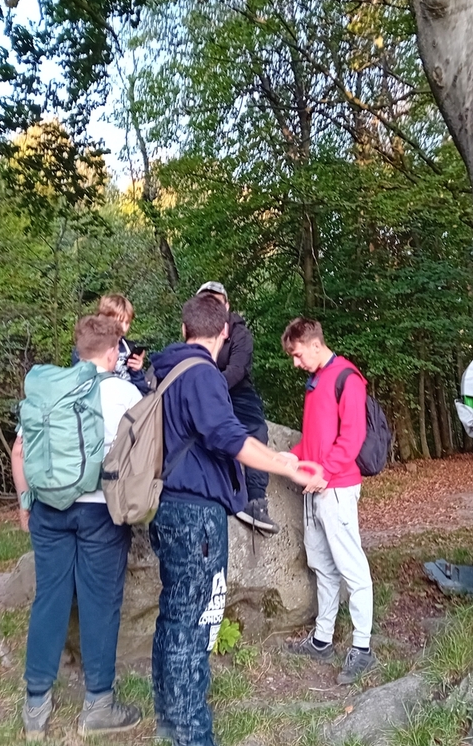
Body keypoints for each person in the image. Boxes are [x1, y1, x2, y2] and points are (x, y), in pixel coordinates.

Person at [148, 294, 323, 746]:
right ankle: (192, 734)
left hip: (167, 506)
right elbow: (228, 436)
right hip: (197, 515)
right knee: (196, 623)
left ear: (184, 329)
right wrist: (284, 466)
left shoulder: (164, 372)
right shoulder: (203, 374)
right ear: (224, 333)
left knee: (174, 615)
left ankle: (169, 715)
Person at [15, 314, 145, 740]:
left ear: (79, 348)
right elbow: (143, 453)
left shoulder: (51, 390)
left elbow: (19, 452)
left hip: (49, 509)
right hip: (100, 512)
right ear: (112, 352)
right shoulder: (124, 392)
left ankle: (36, 705)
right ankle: (98, 707)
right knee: (99, 604)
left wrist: (25, 504)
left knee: (49, 599)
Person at [280, 317, 377, 685]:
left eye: (297, 354)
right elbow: (314, 439)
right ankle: (322, 640)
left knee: (352, 567)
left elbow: (352, 437)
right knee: (322, 564)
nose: (296, 362)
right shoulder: (316, 380)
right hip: (315, 488)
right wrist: (293, 457)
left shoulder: (346, 378)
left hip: (336, 488)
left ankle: (362, 648)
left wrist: (325, 471)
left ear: (315, 344)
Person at [195, 281, 278, 534]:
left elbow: (237, 370)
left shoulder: (240, 333)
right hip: (203, 387)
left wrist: (212, 386)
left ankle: (256, 501)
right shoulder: (195, 330)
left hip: (236, 390)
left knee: (256, 430)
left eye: (217, 301)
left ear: (227, 305)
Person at [71, 293, 152, 395]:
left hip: (128, 400)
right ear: (104, 318)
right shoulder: (86, 348)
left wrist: (136, 371)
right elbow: (80, 386)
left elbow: (142, 391)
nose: (124, 328)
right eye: (119, 322)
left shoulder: (128, 348)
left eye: (127, 323)